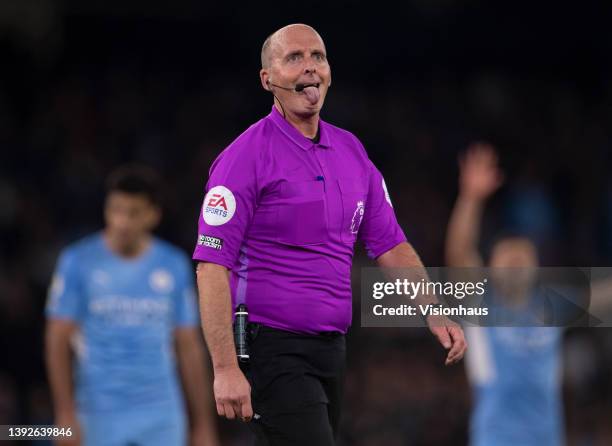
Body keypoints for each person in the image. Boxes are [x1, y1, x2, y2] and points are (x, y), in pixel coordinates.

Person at [193, 23, 467, 446]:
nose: (309, 68)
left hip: (332, 349)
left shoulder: (352, 152)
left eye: (317, 56)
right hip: (270, 346)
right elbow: (212, 265)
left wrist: (433, 309)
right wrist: (226, 367)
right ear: (268, 79)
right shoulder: (244, 157)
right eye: (294, 58)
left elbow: (390, 244)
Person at [45, 165, 219, 446]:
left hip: (161, 413)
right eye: (116, 210)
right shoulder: (77, 261)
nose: (122, 222)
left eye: (133, 213)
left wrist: (202, 425)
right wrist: (64, 413)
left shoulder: (173, 265)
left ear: (153, 215)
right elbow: (57, 340)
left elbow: (188, 347)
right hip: (97, 411)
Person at [446, 143, 564, 446]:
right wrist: (470, 199)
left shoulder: (553, 307)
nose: (516, 260)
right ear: (489, 268)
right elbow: (459, 254)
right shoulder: (479, 305)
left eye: (523, 255)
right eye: (507, 255)